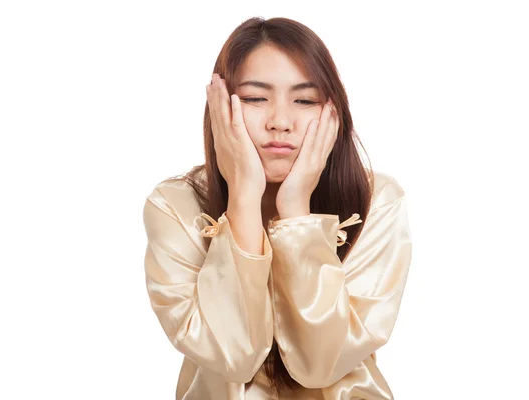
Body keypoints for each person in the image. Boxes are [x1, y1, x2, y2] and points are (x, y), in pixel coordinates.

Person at [142, 16, 412, 400]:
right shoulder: (175, 205)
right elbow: (234, 356)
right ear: (220, 107)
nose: (280, 122)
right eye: (254, 98)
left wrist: (296, 211)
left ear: (333, 112)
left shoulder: (377, 200)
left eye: (304, 100)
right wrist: (244, 198)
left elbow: (320, 364)